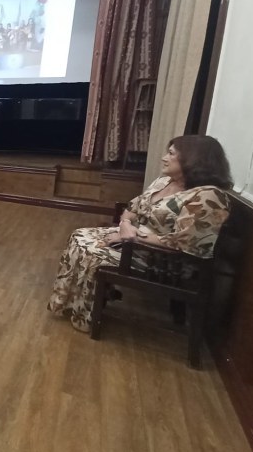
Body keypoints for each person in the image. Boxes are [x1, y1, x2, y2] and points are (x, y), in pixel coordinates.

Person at [47, 135, 233, 332]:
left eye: (171, 154)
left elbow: (185, 242)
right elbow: (133, 207)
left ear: (192, 159)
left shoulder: (208, 197)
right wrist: (125, 223)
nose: (164, 158)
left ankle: (86, 315)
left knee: (91, 252)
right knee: (79, 236)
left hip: (163, 260)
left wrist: (132, 238)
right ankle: (73, 302)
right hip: (135, 241)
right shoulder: (164, 182)